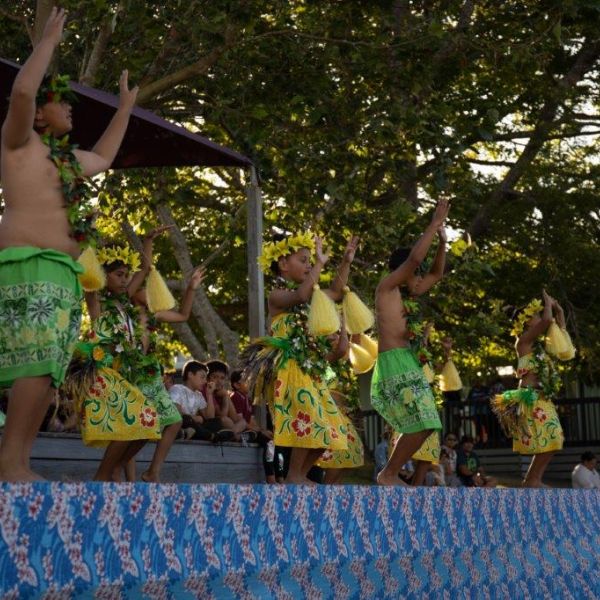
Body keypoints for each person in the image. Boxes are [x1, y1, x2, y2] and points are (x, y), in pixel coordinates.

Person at [0, 8, 138, 481]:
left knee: (50, 372)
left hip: (61, 272)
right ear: (40, 112)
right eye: (63, 103)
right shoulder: (18, 143)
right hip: (28, 263)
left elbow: (102, 156)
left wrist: (124, 110)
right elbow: (21, 89)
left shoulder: (68, 161)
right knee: (35, 364)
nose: (72, 110)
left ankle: (17, 461)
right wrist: (49, 42)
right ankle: (9, 463)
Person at [241, 233, 359, 483]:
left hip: (309, 371)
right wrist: (320, 263)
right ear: (283, 264)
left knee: (333, 427)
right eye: (303, 260)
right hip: (288, 370)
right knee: (311, 418)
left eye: (309, 261)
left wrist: (345, 262)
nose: (309, 265)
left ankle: (298, 475)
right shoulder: (277, 296)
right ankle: (295, 475)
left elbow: (337, 291)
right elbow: (302, 295)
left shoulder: (307, 302)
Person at [66, 239, 168, 481]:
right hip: (101, 373)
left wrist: (148, 241)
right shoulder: (98, 302)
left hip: (121, 373)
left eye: (126, 275)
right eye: (119, 275)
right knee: (143, 417)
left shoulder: (124, 302)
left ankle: (113, 468)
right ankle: (102, 477)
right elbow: (88, 275)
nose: (125, 280)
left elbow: (144, 269)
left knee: (148, 423)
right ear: (103, 275)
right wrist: (85, 240)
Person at [371, 199, 449, 485]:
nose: (418, 280)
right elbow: (415, 260)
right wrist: (433, 223)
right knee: (423, 421)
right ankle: (389, 473)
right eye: (414, 275)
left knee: (428, 424)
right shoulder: (387, 287)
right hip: (393, 363)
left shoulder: (407, 296)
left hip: (408, 363)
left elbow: (436, 274)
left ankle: (389, 472)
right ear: (402, 271)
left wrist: (442, 244)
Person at [124, 265, 206, 482]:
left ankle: (153, 472)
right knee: (131, 428)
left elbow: (183, 315)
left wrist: (191, 288)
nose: (148, 290)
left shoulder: (154, 315)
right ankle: (130, 481)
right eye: (142, 286)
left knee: (174, 420)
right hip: (129, 372)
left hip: (150, 374)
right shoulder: (123, 313)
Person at [491, 291, 574, 487]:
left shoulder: (540, 347)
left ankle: (532, 479)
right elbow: (546, 321)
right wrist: (547, 304)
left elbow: (560, 333)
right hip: (531, 398)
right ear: (528, 321)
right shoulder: (524, 343)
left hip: (542, 398)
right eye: (536, 315)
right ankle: (532, 479)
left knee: (555, 440)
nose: (541, 317)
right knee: (551, 439)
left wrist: (559, 311)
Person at [169, 360, 231, 442]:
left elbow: (209, 417)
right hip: (181, 424)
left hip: (194, 427)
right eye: (202, 377)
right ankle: (211, 436)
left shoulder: (199, 395)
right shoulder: (177, 388)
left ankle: (198, 434)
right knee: (186, 419)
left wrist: (209, 394)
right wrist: (197, 418)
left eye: (205, 378)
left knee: (216, 422)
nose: (205, 381)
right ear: (190, 375)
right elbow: (176, 414)